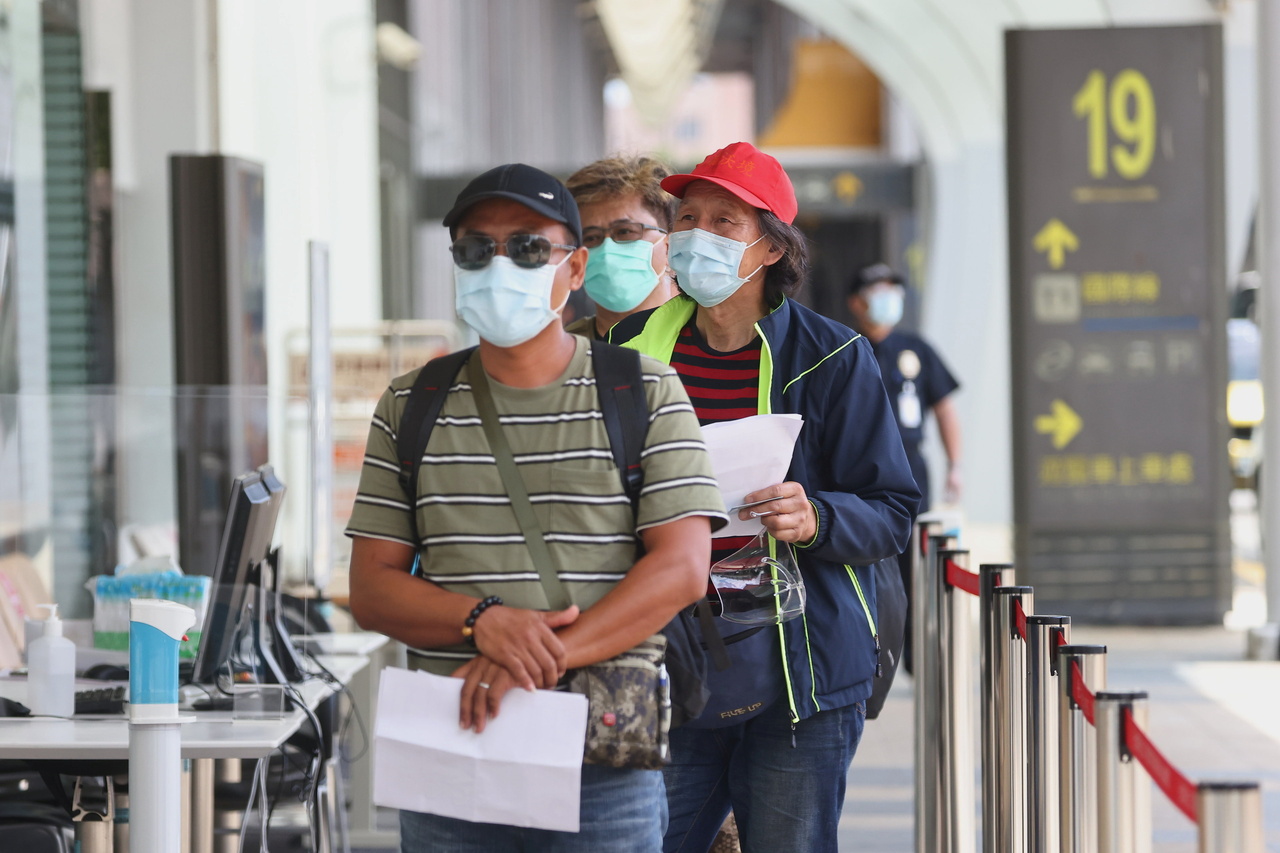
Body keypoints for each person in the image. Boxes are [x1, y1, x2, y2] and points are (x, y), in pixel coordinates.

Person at [344, 163, 728, 852]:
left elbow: (681, 569)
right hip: (454, 746)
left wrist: (534, 656)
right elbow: (371, 587)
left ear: (574, 268)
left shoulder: (644, 391)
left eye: (527, 247)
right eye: (475, 249)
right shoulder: (411, 403)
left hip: (600, 756)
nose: (499, 266)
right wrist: (482, 620)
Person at [609, 142, 921, 853]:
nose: (698, 235)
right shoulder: (631, 346)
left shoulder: (832, 357)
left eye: (725, 221)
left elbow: (892, 508)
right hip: (671, 653)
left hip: (799, 670)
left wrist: (817, 517)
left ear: (772, 247)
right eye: (688, 218)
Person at [848, 262, 962, 673]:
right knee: (866, 557)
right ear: (856, 302)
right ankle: (869, 651)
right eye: (877, 291)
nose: (887, 299)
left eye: (892, 291)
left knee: (914, 563)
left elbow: (944, 408)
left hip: (911, 469)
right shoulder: (846, 346)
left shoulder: (916, 349)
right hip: (859, 471)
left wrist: (955, 465)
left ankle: (914, 655)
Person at [564, 154, 678, 339]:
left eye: (625, 231)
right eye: (590, 237)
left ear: (669, 247)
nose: (607, 252)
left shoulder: (710, 342)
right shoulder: (563, 352)